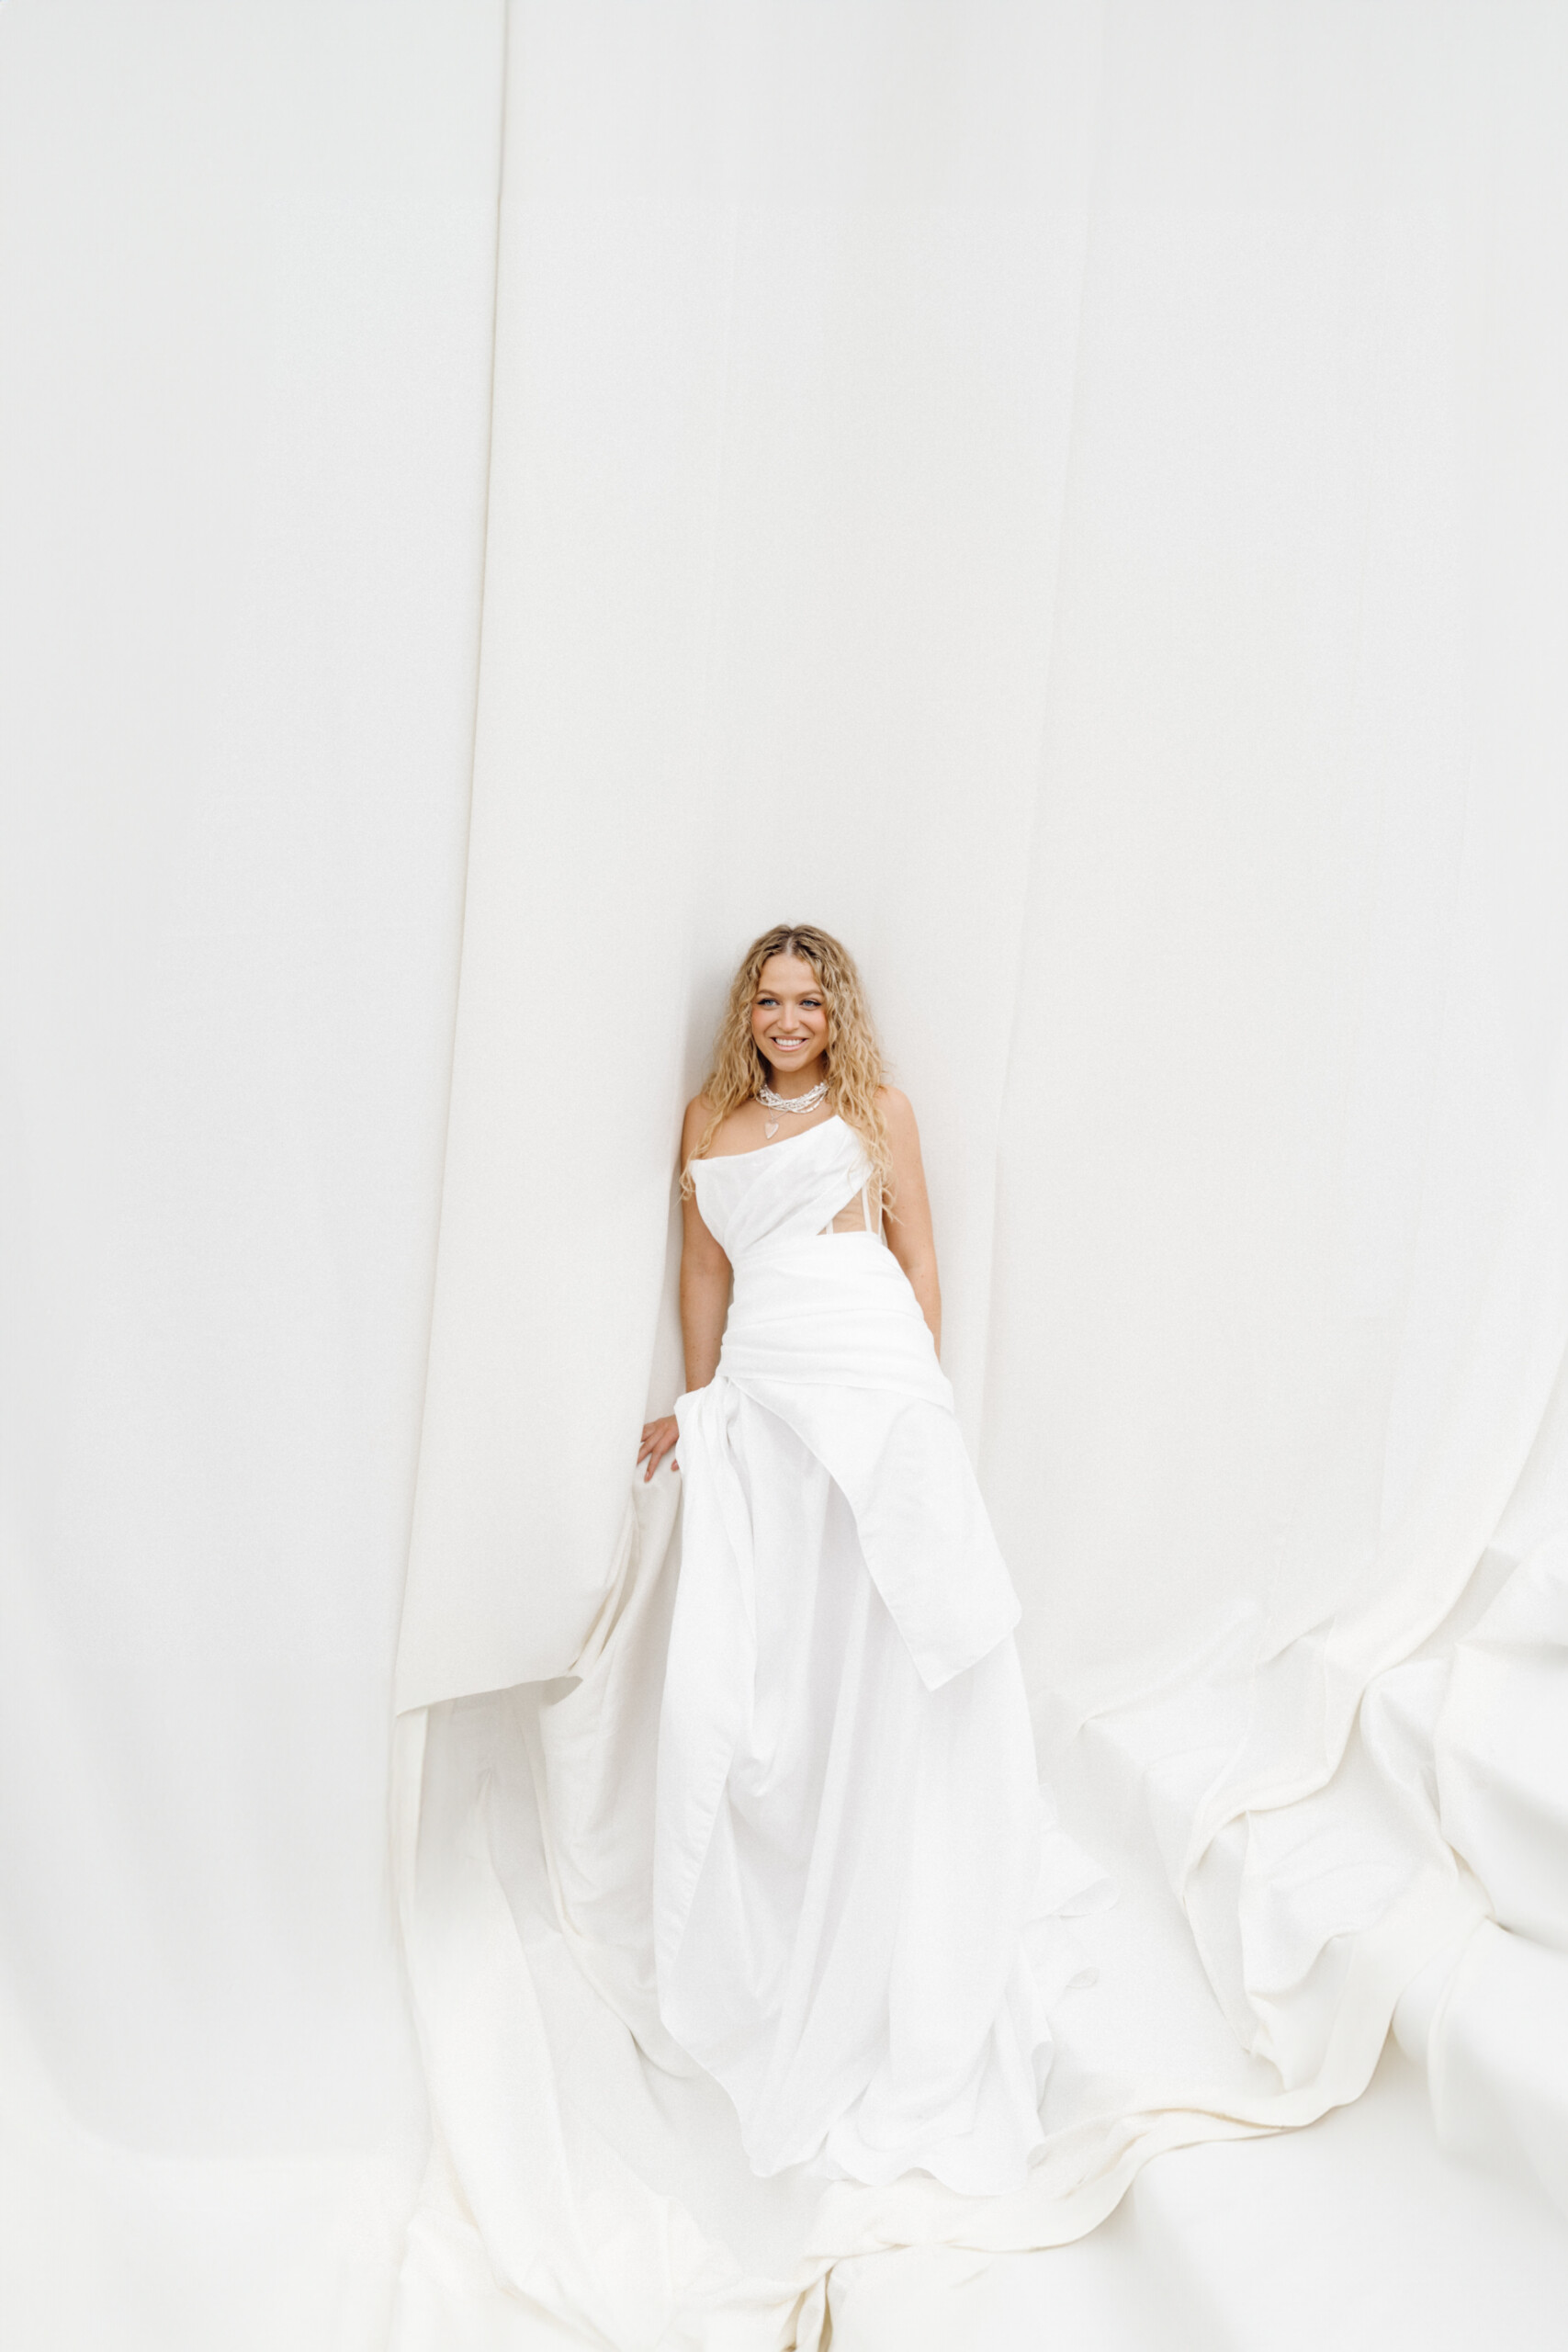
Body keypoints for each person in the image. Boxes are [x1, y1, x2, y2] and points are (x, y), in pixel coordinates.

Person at [636, 922, 1084, 2196]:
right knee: (792, 1637)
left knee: (907, 1611)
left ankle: (920, 1864)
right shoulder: (707, 1121)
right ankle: (810, 1872)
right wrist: (702, 1406)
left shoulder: (879, 1109)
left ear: (837, 1013)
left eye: (810, 1003)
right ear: (747, 1012)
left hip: (876, 1373)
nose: (789, 1022)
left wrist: (918, 1391)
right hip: (771, 1384)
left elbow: (918, 1253)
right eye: (769, 1003)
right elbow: (704, 1270)